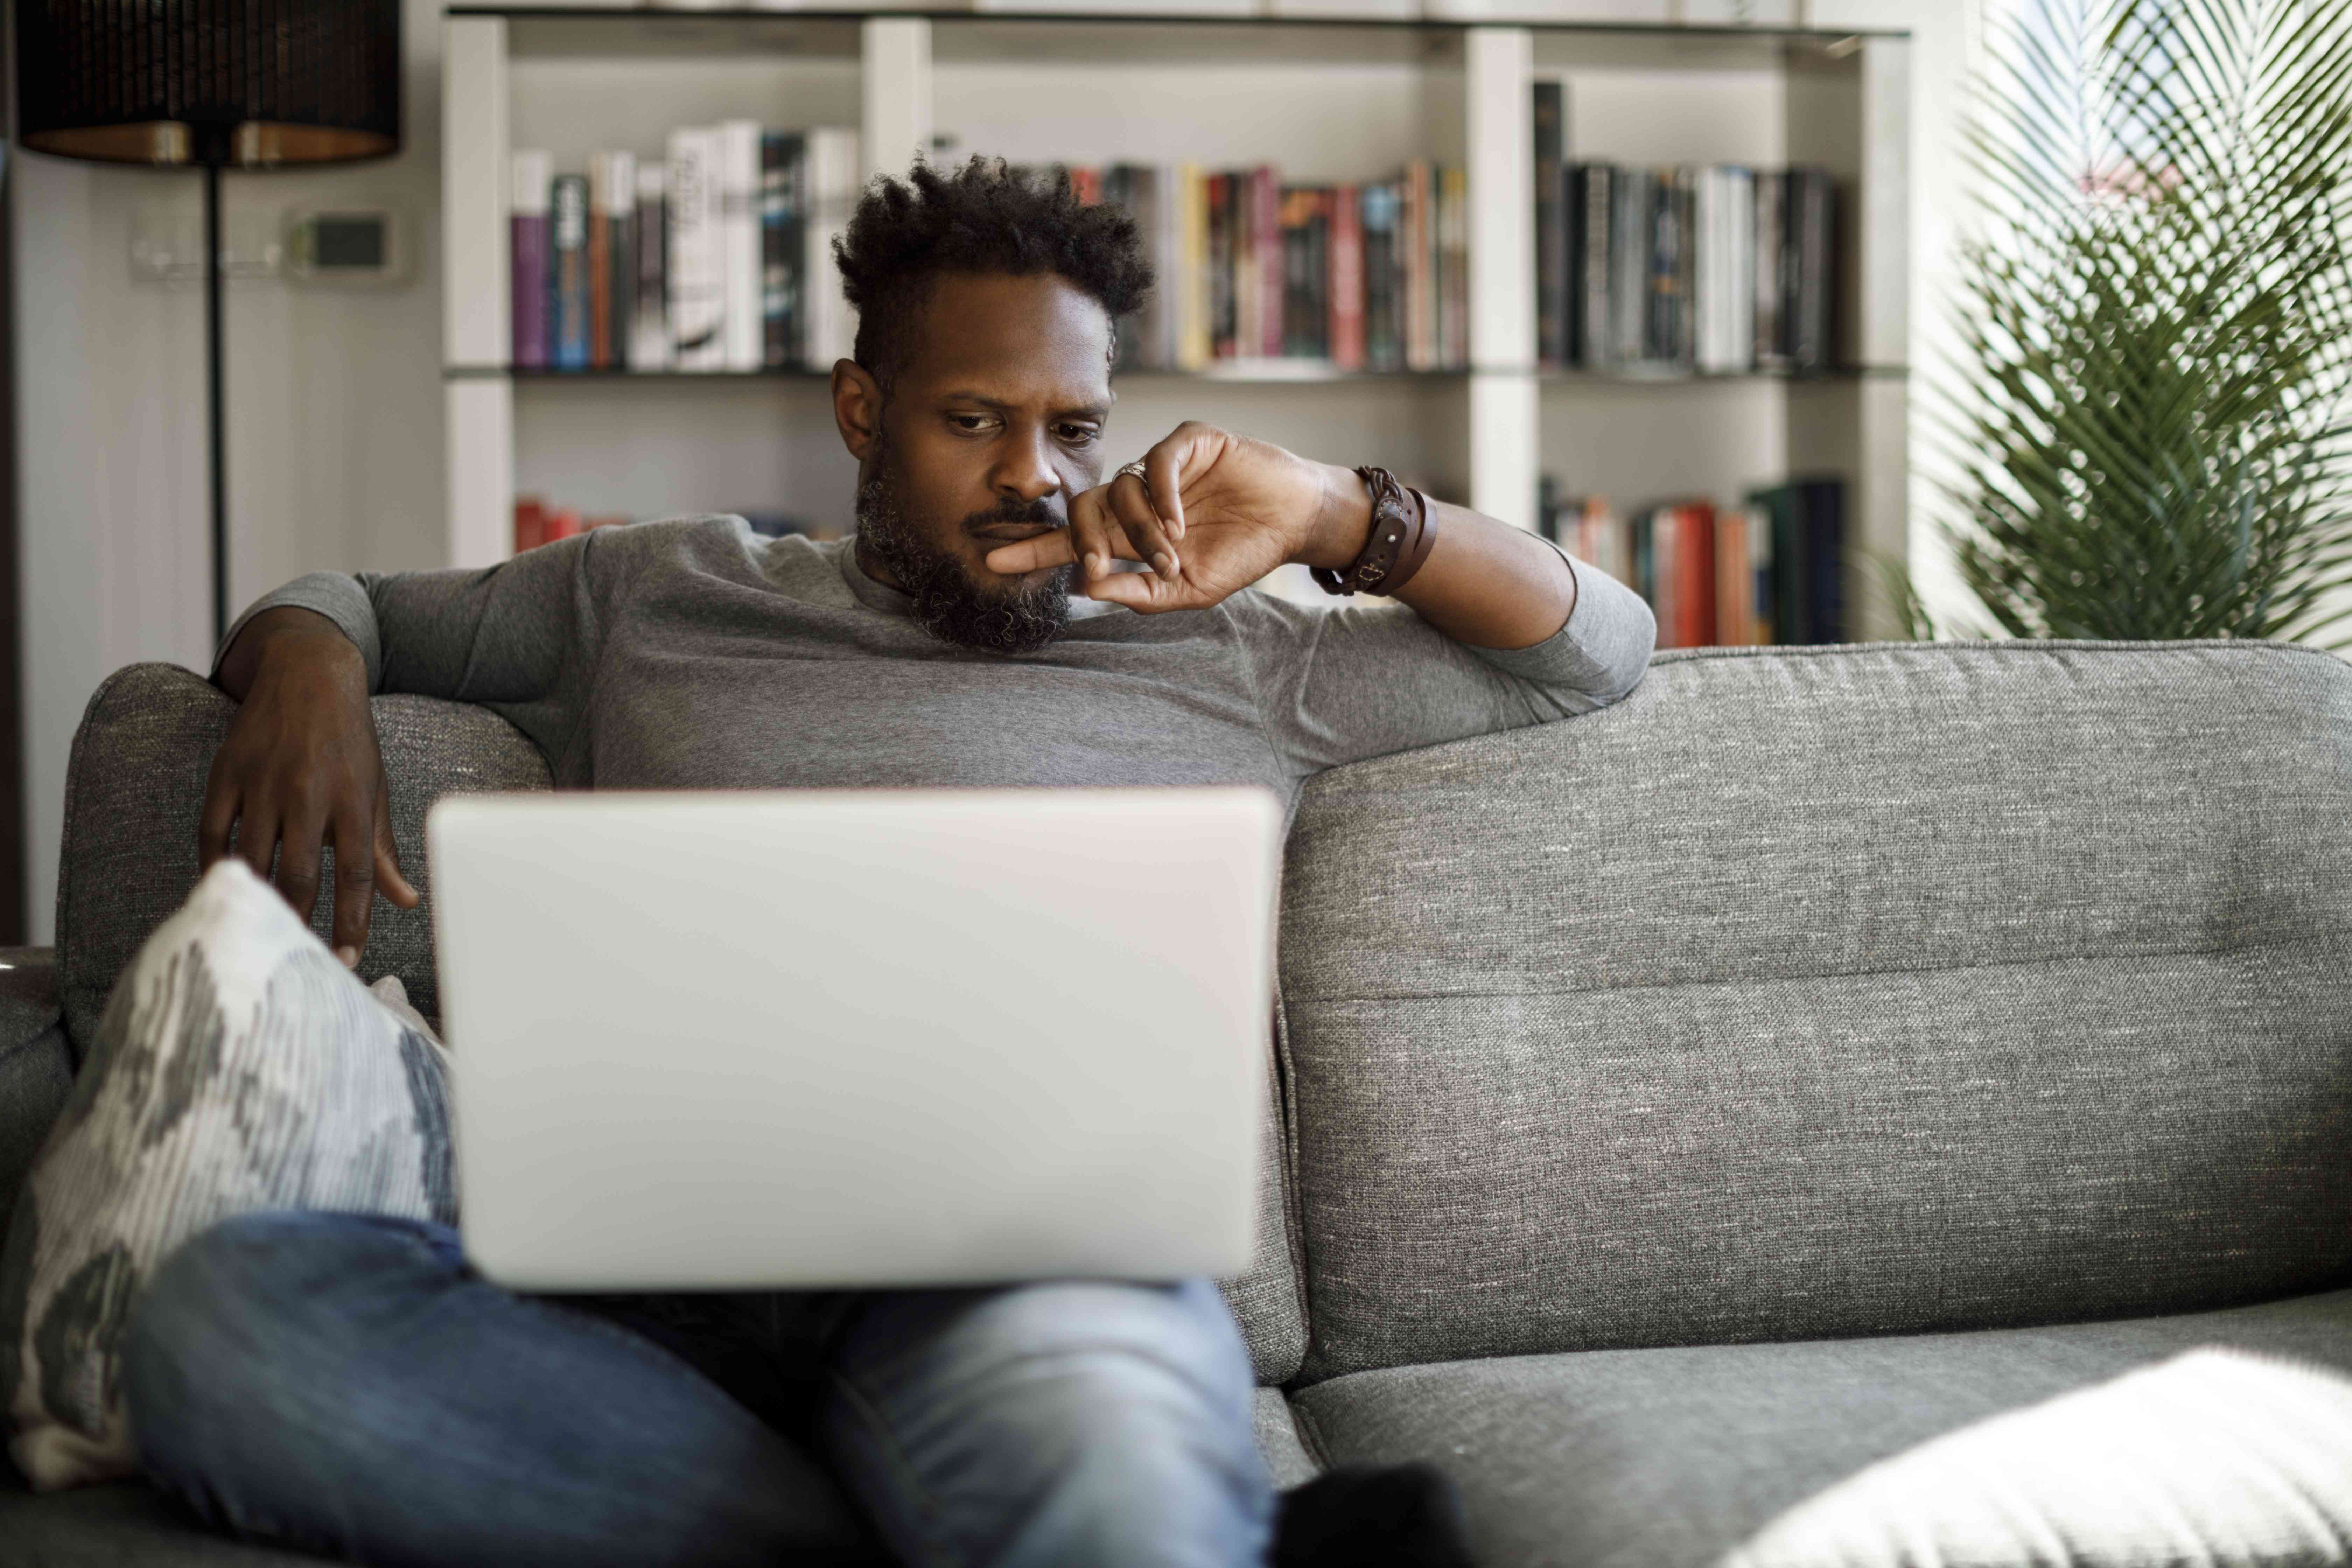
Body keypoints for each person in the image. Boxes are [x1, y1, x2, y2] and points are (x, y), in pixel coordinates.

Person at [121, 157, 1656, 1568]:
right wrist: (311, 663)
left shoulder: (1227, 649)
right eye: (972, 419)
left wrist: (1336, 510)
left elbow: (1595, 651)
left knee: (1097, 1437)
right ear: (864, 411)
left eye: (1071, 430)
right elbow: (346, 598)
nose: (1032, 477)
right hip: (641, 1298)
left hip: (1030, 1276)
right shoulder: (655, 593)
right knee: (220, 1322)